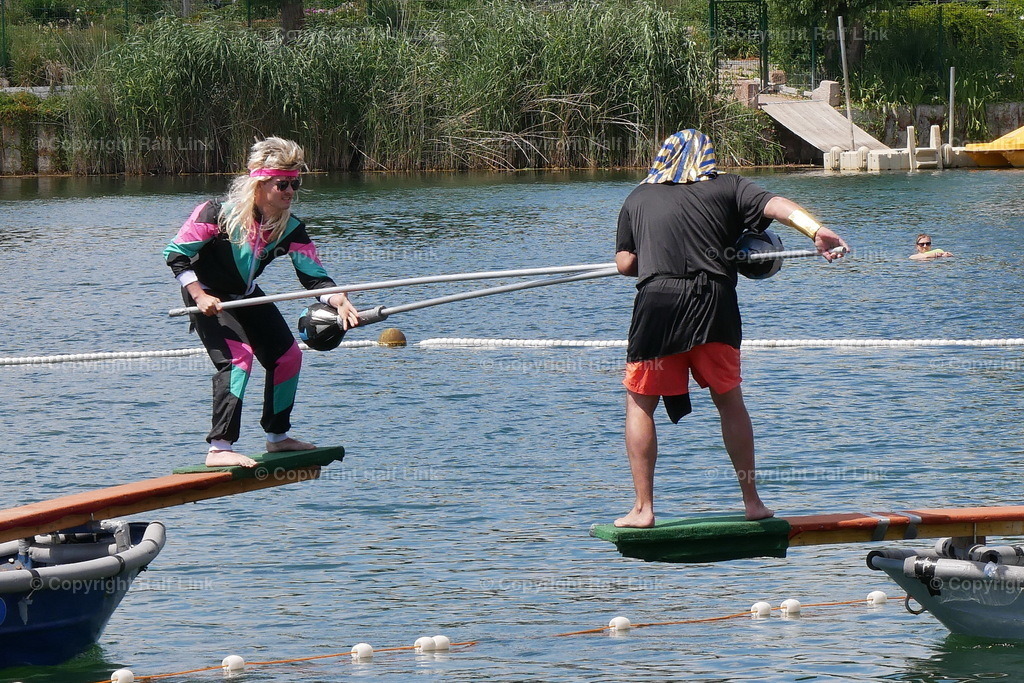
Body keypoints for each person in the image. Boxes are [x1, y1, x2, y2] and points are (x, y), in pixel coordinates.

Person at [613, 129, 849, 528]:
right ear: (707, 157)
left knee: (640, 403)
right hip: (715, 305)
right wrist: (815, 230)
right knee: (729, 402)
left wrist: (655, 258)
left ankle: (643, 509)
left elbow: (623, 264)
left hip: (657, 304)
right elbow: (777, 206)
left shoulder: (638, 196)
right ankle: (753, 502)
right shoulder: (729, 186)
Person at [163, 137, 360, 467]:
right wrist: (199, 295)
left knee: (288, 356)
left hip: (246, 294)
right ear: (260, 182)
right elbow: (175, 255)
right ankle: (220, 447)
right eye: (282, 183)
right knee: (240, 358)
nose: (290, 191)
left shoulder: (291, 229)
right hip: (208, 294)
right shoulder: (216, 214)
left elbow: (314, 278)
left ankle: (277, 438)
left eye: (295, 184)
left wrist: (337, 298)